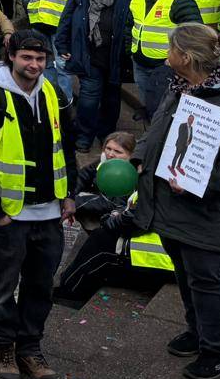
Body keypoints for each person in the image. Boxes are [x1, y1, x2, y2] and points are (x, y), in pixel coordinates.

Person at [0, 30, 77, 379]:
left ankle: (30, 348)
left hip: (49, 213)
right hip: (9, 216)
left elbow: (66, 145)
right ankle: (4, 349)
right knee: (3, 287)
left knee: (40, 287)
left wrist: (70, 194)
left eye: (40, 59)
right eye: (27, 58)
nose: (34, 65)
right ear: (11, 55)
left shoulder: (54, 93)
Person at [134, 24, 220, 379]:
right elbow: (158, 126)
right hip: (169, 204)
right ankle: (198, 333)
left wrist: (199, 184)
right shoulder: (180, 87)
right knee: (185, 275)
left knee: (207, 281)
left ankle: (217, 352)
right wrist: (140, 156)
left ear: (187, 57)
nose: (165, 56)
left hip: (208, 213)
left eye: (170, 49)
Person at [54, 132, 174, 309]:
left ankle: (69, 293)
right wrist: (69, 198)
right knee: (100, 240)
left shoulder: (144, 182)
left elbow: (127, 218)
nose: (110, 154)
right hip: (161, 255)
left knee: (101, 244)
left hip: (161, 262)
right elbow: (85, 177)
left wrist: (107, 218)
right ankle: (68, 285)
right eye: (108, 149)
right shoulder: (152, 178)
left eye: (118, 151)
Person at [54, 0, 131, 152]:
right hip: (89, 56)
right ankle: (84, 136)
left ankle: (106, 135)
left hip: (114, 58)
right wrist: (62, 44)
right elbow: (66, 20)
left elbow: (131, 24)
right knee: (88, 99)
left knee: (111, 100)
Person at [127, 0, 200, 124]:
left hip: (166, 66)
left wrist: (177, 58)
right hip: (140, 63)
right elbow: (129, 26)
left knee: (164, 112)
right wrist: (129, 50)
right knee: (149, 105)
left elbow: (194, 32)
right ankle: (151, 141)